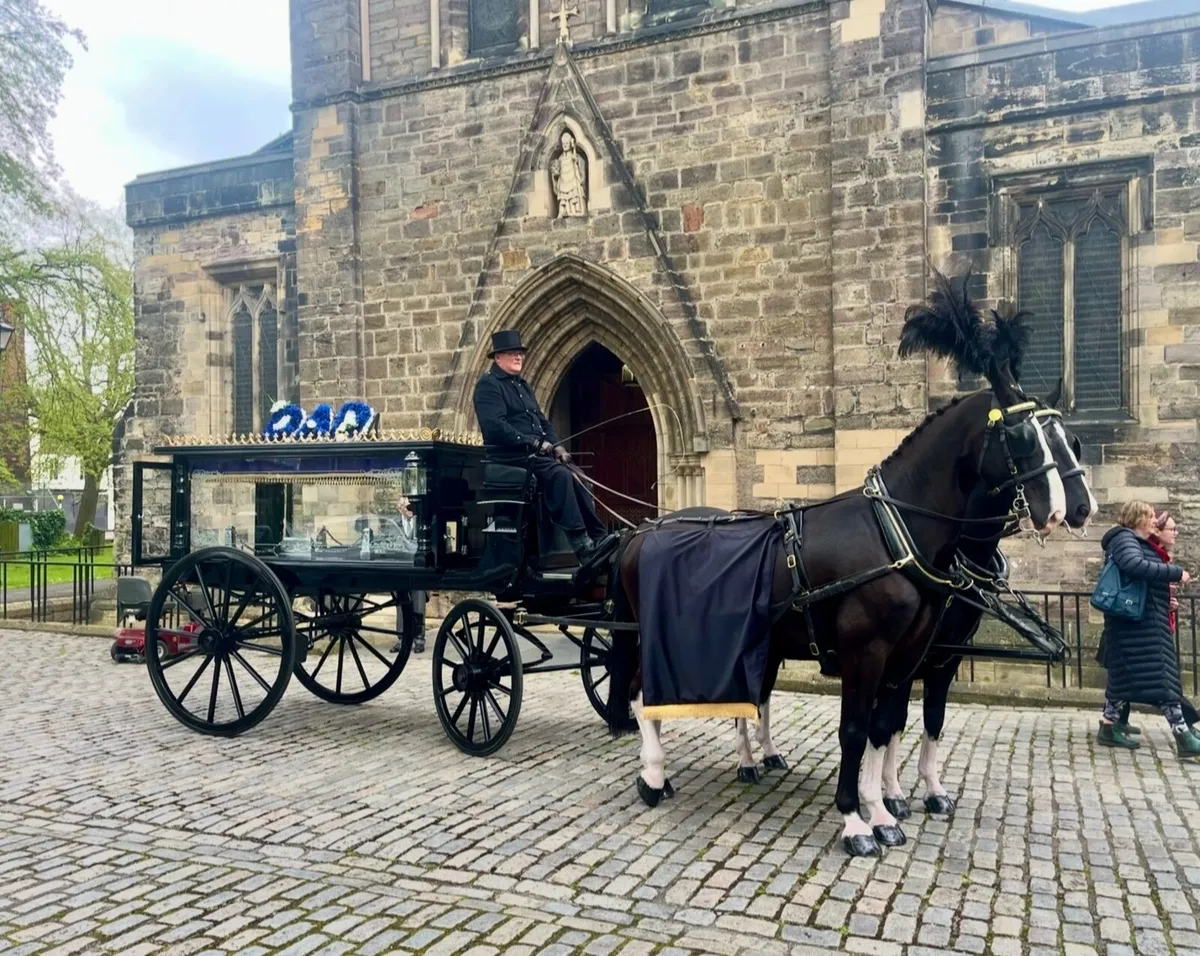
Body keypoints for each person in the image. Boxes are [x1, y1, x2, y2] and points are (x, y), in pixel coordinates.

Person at [473, 329, 608, 560]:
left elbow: (542, 421)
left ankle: (598, 536)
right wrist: (532, 442)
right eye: (512, 353)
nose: (519, 357)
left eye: (520, 354)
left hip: (534, 455)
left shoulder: (522, 386)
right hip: (511, 456)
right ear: (497, 357)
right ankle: (579, 542)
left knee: (578, 476)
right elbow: (495, 426)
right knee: (560, 476)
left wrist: (557, 446)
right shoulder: (489, 385)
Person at [1096, 500, 1200, 759]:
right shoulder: (1125, 540)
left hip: (1140, 622)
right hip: (1140, 625)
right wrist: (1174, 572)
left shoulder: (1132, 541)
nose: (1155, 520)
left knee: (1123, 680)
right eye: (1150, 516)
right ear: (1137, 518)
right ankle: (1183, 736)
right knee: (1163, 680)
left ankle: (1108, 728)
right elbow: (1135, 567)